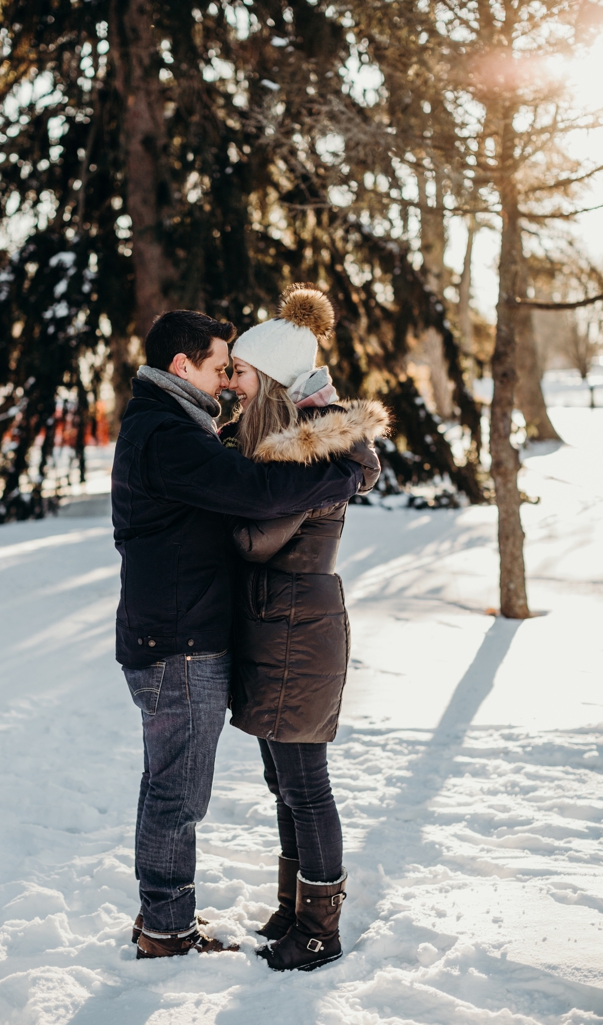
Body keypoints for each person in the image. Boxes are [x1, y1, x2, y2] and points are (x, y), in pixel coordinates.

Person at [112, 308, 377, 959]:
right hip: (182, 641)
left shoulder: (175, 426)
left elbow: (256, 504)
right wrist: (346, 460)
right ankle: (170, 929)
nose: (228, 382)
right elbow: (253, 495)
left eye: (239, 371)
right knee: (181, 792)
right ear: (183, 368)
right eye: (220, 366)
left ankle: (294, 923)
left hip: (261, 634)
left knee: (281, 786)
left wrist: (343, 448)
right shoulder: (170, 433)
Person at [218, 286, 387, 971]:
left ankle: (319, 929)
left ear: (275, 383)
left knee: (306, 785)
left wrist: (219, 503)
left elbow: (255, 542)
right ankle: (293, 908)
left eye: (241, 373)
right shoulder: (279, 445)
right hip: (277, 624)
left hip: (296, 629)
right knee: (284, 782)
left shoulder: (302, 454)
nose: (230, 382)